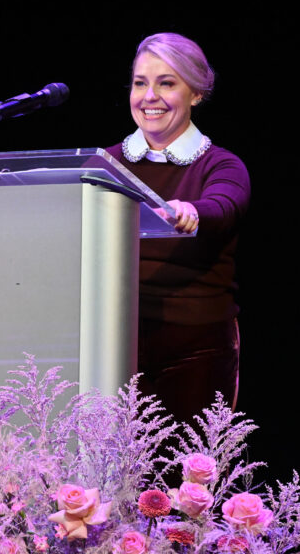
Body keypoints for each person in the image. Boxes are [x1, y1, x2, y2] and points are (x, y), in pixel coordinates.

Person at [105, 33, 250, 424]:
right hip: (112, 340)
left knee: (184, 481)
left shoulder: (221, 166)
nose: (149, 96)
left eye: (166, 83)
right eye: (140, 83)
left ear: (196, 94)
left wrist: (191, 211)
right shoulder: (107, 165)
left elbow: (224, 205)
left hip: (195, 348)